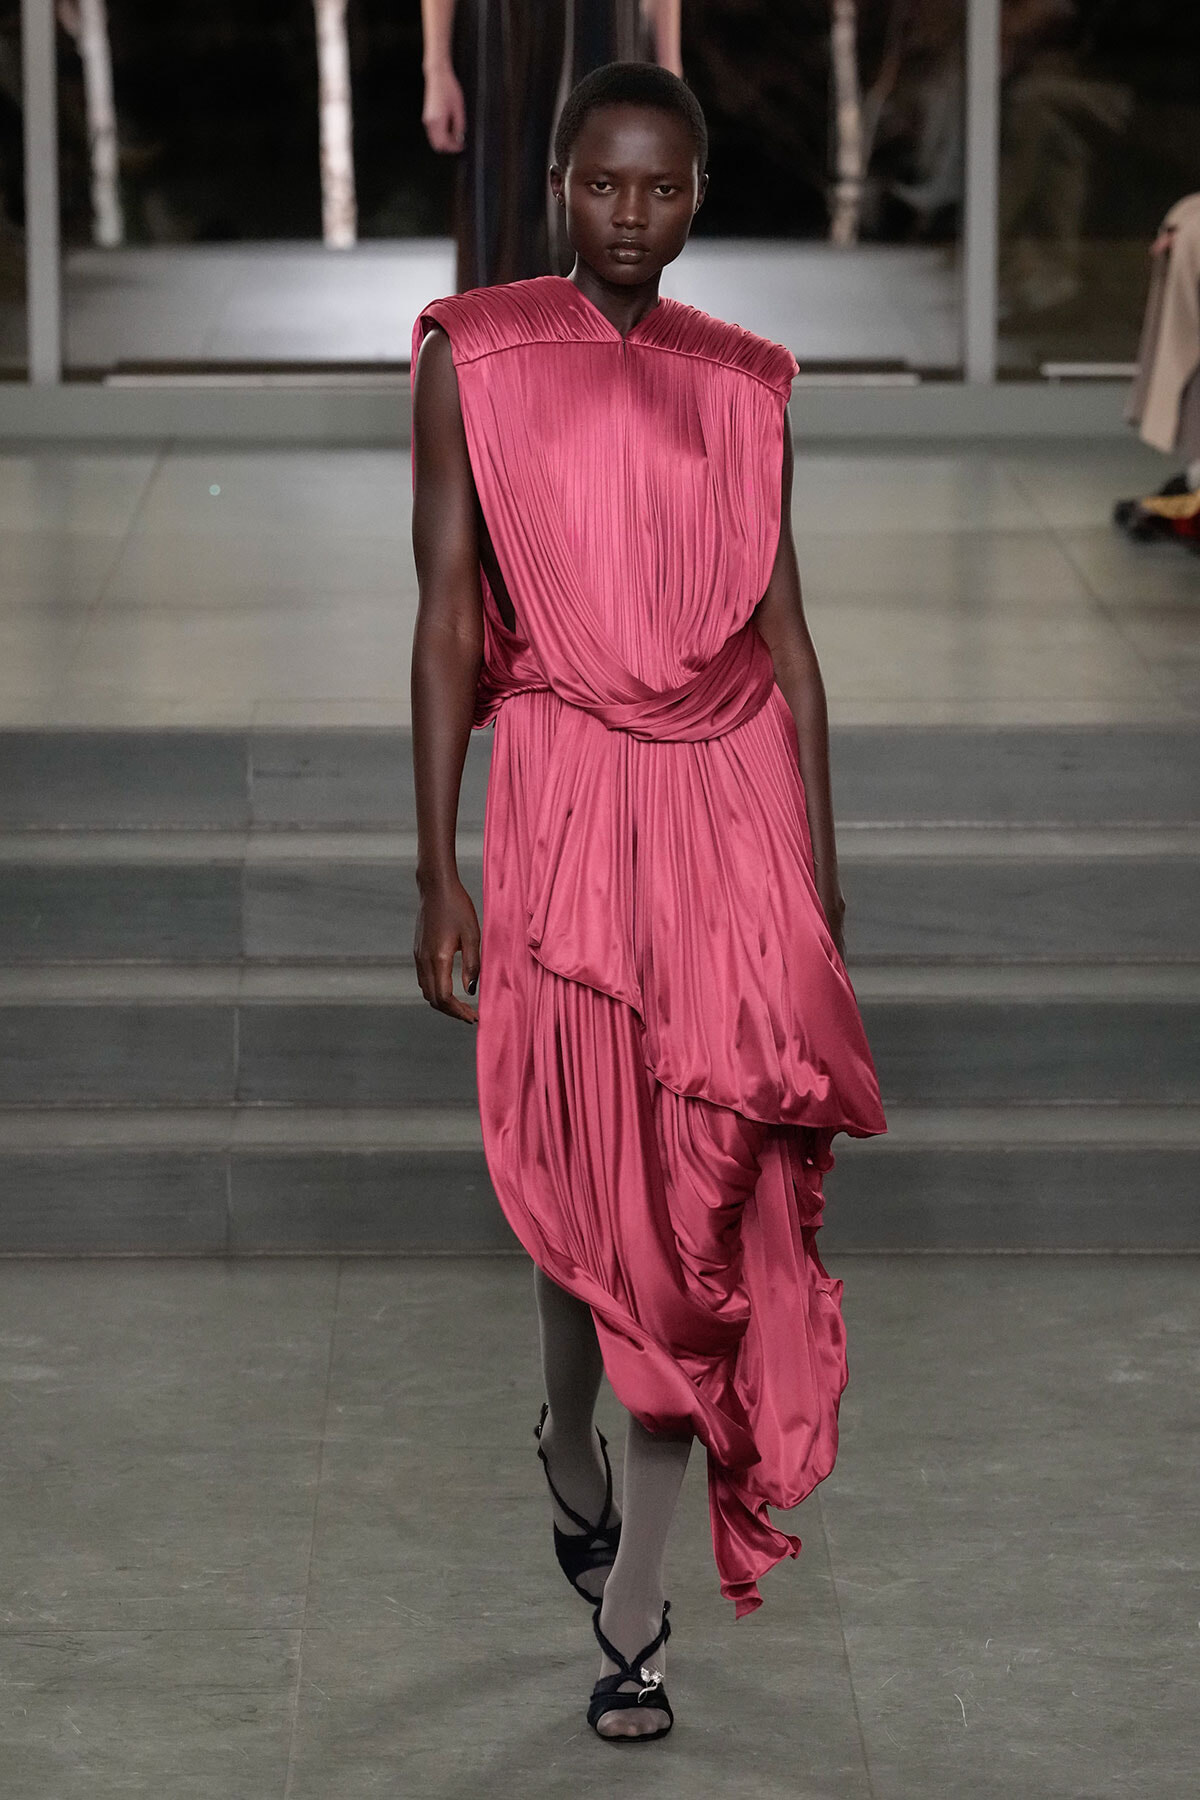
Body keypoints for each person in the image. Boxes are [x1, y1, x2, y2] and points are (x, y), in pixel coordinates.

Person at [409, 61, 886, 1744]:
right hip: (558, 789)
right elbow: (449, 615)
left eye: (662, 189)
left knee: (702, 1197)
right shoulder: (474, 355)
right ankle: (563, 1421)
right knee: (572, 1143)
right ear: (555, 184)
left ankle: (638, 1613)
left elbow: (794, 649)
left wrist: (815, 886)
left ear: (697, 200)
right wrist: (434, 862)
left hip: (724, 797)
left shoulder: (748, 385)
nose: (631, 215)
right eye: (604, 185)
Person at [420, 0, 681, 290]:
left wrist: (670, 70)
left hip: (605, 27)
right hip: (502, 35)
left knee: (603, 210)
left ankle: (596, 330)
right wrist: (436, 66)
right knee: (500, 221)